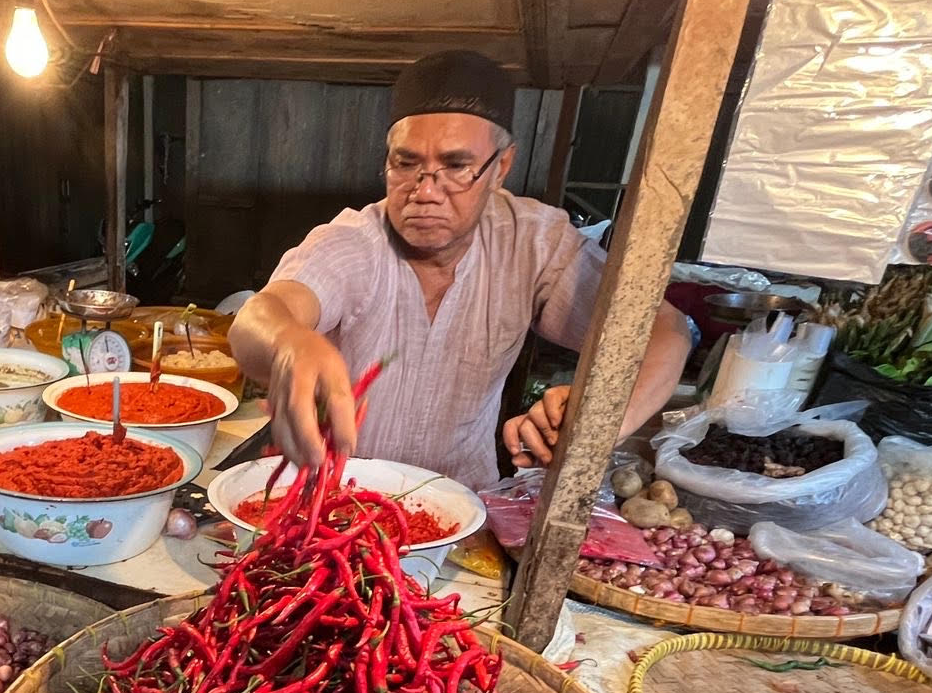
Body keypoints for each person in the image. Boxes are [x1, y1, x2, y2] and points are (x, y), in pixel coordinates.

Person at [229, 50, 692, 490]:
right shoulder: (353, 243)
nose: (425, 191)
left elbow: (665, 329)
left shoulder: (533, 243)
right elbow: (259, 317)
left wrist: (597, 419)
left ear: (501, 167)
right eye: (406, 164)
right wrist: (289, 341)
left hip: (461, 506)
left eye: (456, 166)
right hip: (330, 499)